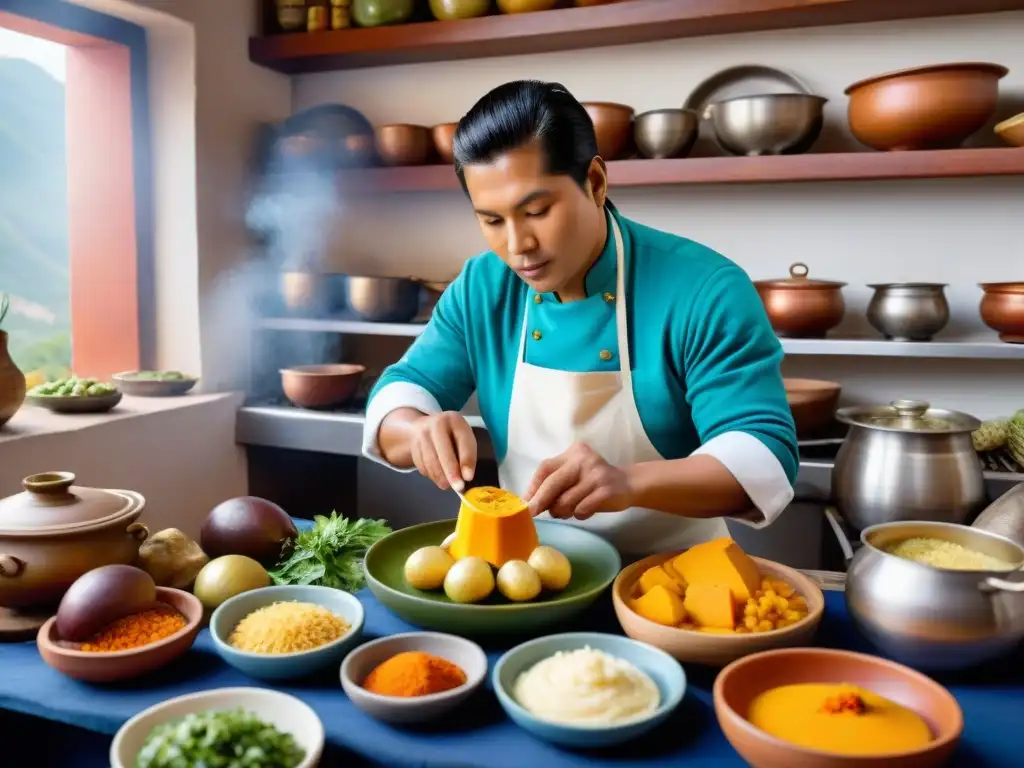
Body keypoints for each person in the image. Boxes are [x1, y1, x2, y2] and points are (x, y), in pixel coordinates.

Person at [361, 80, 798, 557]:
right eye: (491, 220)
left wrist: (628, 482)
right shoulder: (483, 286)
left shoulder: (703, 288)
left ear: (595, 182)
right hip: (526, 580)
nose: (517, 246)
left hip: (671, 588)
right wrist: (417, 430)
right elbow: (400, 394)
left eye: (536, 211)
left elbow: (762, 456)